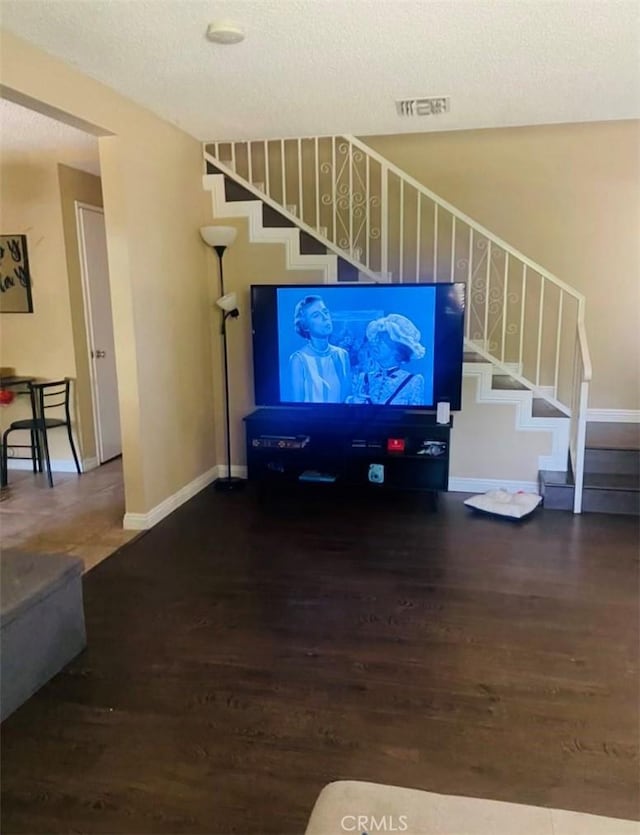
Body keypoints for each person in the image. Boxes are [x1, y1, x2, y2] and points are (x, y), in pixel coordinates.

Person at [351, 313, 426, 405]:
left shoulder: (413, 381)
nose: (375, 343)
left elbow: (416, 417)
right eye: (376, 339)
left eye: (382, 340)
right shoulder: (363, 378)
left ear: (397, 349)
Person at [289, 295, 351, 403]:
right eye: (316, 315)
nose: (325, 317)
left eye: (325, 312)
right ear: (305, 326)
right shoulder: (299, 360)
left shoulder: (342, 355)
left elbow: (346, 400)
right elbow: (297, 407)